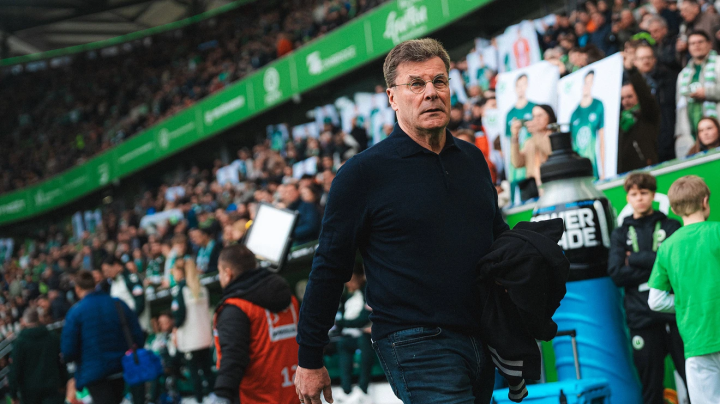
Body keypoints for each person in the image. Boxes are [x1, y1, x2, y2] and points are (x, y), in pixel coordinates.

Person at [295, 38, 508, 404]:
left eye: (439, 81)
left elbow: (497, 237)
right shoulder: (361, 174)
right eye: (416, 84)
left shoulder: (472, 160)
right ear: (392, 98)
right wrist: (309, 358)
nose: (431, 93)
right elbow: (329, 266)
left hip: (482, 336)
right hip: (416, 341)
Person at [607, 173, 686, 404]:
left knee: (694, 379)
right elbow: (617, 274)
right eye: (634, 194)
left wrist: (634, 259)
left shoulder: (671, 225)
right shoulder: (620, 234)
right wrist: (658, 264)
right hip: (641, 319)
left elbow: (676, 266)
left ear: (653, 195)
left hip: (674, 316)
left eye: (644, 193)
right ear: (628, 198)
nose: (639, 198)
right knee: (651, 388)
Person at [648, 175, 720, 404]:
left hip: (696, 343)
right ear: (705, 201)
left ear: (674, 209)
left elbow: (655, 301)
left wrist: (684, 302)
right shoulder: (717, 232)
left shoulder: (667, 247)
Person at [212, 244, 300, 404]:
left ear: (227, 273)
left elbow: (233, 356)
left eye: (219, 272)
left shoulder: (236, 309)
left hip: (257, 398)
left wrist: (222, 394)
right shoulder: (291, 300)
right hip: (296, 395)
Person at [61, 270, 144, 404]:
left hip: (94, 372)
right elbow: (137, 335)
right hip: (122, 366)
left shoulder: (75, 313)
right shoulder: (118, 304)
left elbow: (68, 351)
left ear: (77, 289)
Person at [170, 259, 215, 404]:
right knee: (207, 370)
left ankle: (199, 400)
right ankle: (215, 398)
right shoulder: (203, 289)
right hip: (205, 336)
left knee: (194, 373)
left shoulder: (180, 290)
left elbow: (179, 316)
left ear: (180, 272)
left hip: (191, 339)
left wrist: (175, 331)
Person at [675, 30, 720, 158]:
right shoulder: (683, 74)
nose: (696, 46)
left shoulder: (718, 64)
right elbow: (680, 107)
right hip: (694, 133)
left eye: (700, 42)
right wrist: (680, 134)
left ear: (710, 44)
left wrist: (708, 92)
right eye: (692, 43)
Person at [9, 307, 67, 404]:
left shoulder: (20, 342)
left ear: (25, 321)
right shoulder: (52, 337)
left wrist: (13, 393)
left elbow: (15, 369)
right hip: (52, 387)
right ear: (39, 319)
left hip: (29, 392)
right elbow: (60, 362)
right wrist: (63, 382)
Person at [634, 43, 678, 162]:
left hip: (669, 136)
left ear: (654, 59)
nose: (646, 61)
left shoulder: (669, 79)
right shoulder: (629, 86)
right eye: (642, 58)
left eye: (648, 57)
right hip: (644, 142)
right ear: (635, 62)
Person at [334, 270, 373, 404]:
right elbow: (339, 319)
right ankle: (346, 390)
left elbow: (363, 319)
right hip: (350, 335)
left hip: (366, 334)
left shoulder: (367, 292)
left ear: (360, 277)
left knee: (364, 340)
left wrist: (342, 322)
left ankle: (363, 389)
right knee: (342, 343)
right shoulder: (346, 296)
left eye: (353, 279)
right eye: (348, 281)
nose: (350, 283)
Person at [618, 67, 660, 173]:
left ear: (638, 96)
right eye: (622, 98)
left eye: (629, 96)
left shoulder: (647, 115)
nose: (625, 101)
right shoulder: (619, 122)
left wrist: (632, 72)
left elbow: (645, 96)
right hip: (625, 174)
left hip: (648, 170)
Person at [505, 74, 537, 202]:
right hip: (517, 162)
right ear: (515, 88)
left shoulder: (534, 108)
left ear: (527, 86)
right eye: (518, 85)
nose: (521, 88)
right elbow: (508, 140)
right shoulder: (510, 114)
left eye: (524, 84)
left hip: (532, 161)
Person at [510, 104, 556, 191]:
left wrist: (536, 133)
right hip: (533, 187)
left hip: (551, 183)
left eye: (540, 115)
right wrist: (515, 137)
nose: (536, 119)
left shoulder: (555, 136)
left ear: (550, 116)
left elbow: (551, 151)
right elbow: (517, 163)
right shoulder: (529, 141)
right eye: (534, 116)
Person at [570, 70, 606, 178]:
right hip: (578, 168)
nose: (587, 85)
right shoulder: (574, 113)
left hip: (593, 166)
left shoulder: (598, 105)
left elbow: (602, 140)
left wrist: (604, 171)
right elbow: (571, 143)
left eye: (590, 82)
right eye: (586, 82)